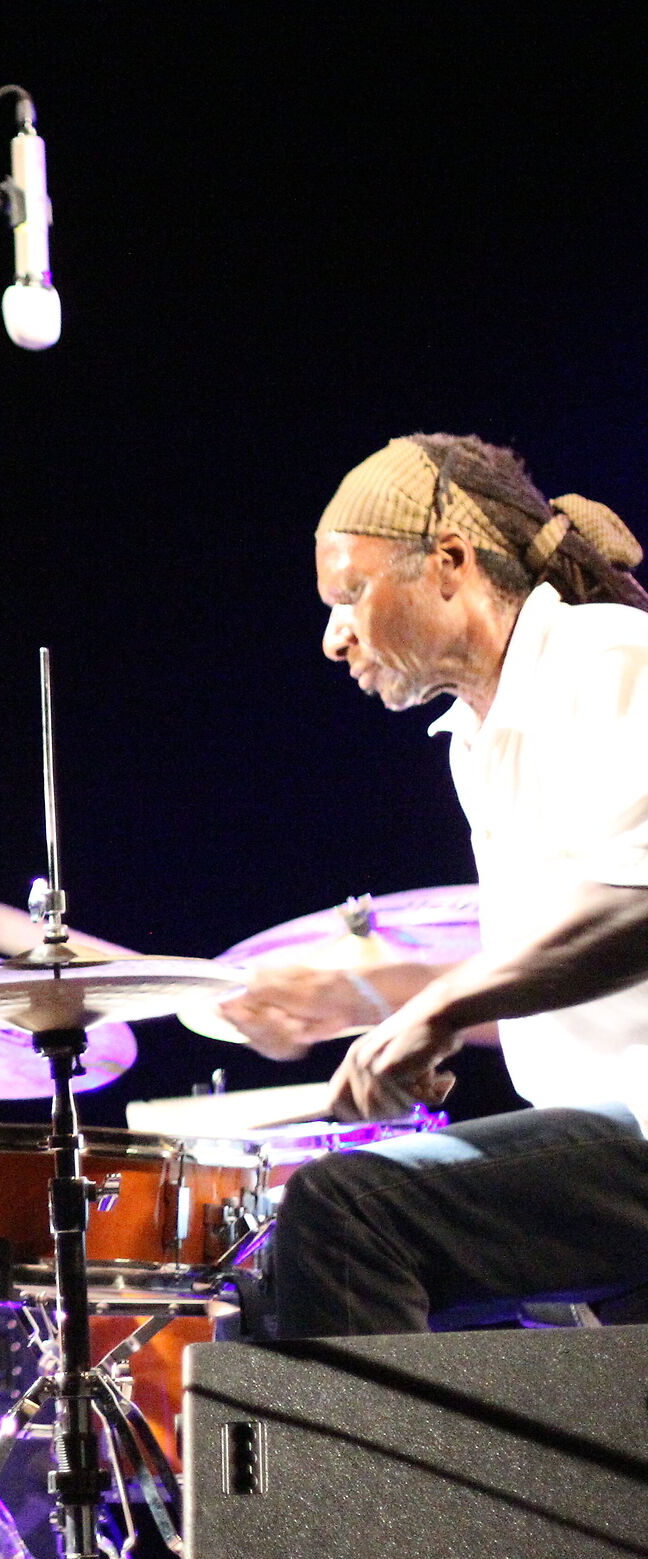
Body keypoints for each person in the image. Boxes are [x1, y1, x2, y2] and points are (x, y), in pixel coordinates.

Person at [216, 434, 648, 1339]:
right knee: (262, 1279)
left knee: (348, 1215)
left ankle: (375, 1484)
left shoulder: (606, 658)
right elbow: (564, 968)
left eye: (350, 594)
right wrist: (377, 999)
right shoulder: (475, 739)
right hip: (609, 1144)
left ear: (450, 562)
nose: (334, 637)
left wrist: (437, 1009)